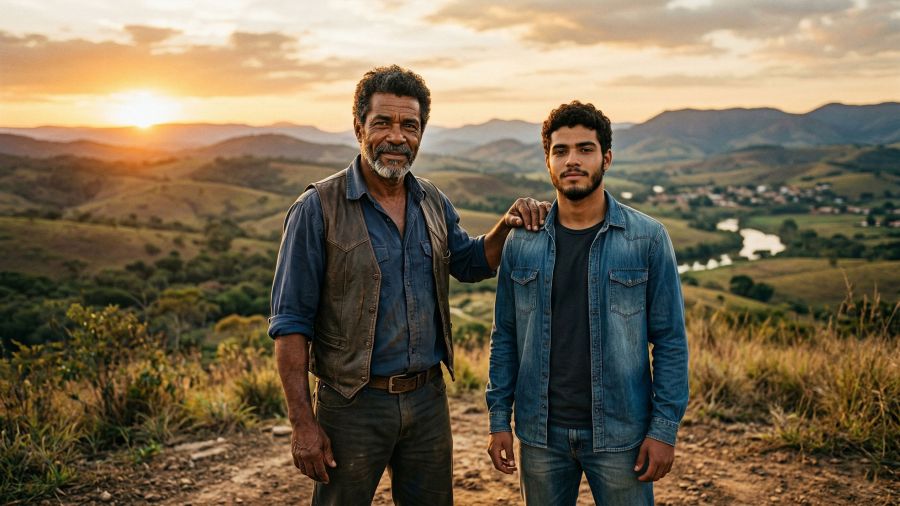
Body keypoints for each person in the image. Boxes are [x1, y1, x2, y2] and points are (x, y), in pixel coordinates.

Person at [268, 64, 548, 506]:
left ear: (421, 133)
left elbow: (471, 262)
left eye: (410, 126)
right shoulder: (316, 208)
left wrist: (507, 225)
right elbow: (290, 325)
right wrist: (303, 424)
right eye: (383, 123)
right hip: (351, 404)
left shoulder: (431, 200)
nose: (397, 137)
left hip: (427, 400)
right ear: (359, 126)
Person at [485, 100, 689, 505]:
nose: (572, 160)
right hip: (540, 434)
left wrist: (663, 430)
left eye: (585, 149)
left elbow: (669, 341)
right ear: (548, 162)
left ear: (606, 158)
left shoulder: (646, 239)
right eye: (560, 151)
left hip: (621, 434)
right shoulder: (522, 242)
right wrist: (497, 419)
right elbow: (505, 336)